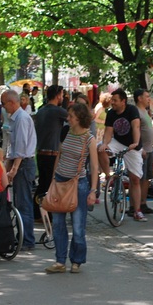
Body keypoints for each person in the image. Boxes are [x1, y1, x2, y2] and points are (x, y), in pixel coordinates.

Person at [45, 102, 100, 274]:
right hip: (60, 181)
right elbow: (59, 156)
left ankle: (76, 260)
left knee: (78, 226)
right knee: (58, 224)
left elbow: (95, 167)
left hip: (78, 184)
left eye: (71, 116)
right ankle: (60, 260)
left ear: (79, 118)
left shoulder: (89, 139)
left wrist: (93, 190)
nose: (68, 118)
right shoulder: (67, 132)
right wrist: (53, 179)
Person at [98, 88, 145, 221]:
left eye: (115, 100)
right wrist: (104, 144)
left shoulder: (132, 110)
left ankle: (137, 211)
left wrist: (135, 143)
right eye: (112, 100)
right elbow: (108, 132)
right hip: (118, 142)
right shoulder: (111, 113)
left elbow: (135, 127)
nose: (112, 103)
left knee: (135, 179)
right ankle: (108, 176)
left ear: (123, 101)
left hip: (133, 145)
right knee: (100, 150)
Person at [1, 89, 38, 250]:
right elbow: (13, 146)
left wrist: (14, 168)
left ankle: (27, 239)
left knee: (23, 203)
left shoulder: (22, 118)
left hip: (24, 164)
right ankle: (22, 236)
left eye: (3, 103)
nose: (3, 107)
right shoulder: (14, 119)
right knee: (20, 202)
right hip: (20, 162)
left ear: (11, 102)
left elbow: (21, 147)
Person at [33, 85, 69, 215]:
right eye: (62, 94)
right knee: (49, 184)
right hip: (51, 153)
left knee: (43, 183)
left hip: (41, 151)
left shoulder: (41, 111)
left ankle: (37, 212)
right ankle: (44, 212)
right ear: (58, 95)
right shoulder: (57, 111)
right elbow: (74, 118)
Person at [133, 88, 153, 216]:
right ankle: (136, 206)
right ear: (140, 98)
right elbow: (136, 131)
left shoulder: (145, 111)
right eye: (147, 96)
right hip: (142, 150)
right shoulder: (136, 112)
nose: (149, 99)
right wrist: (140, 147)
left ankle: (143, 203)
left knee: (147, 178)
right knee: (139, 178)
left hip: (149, 149)